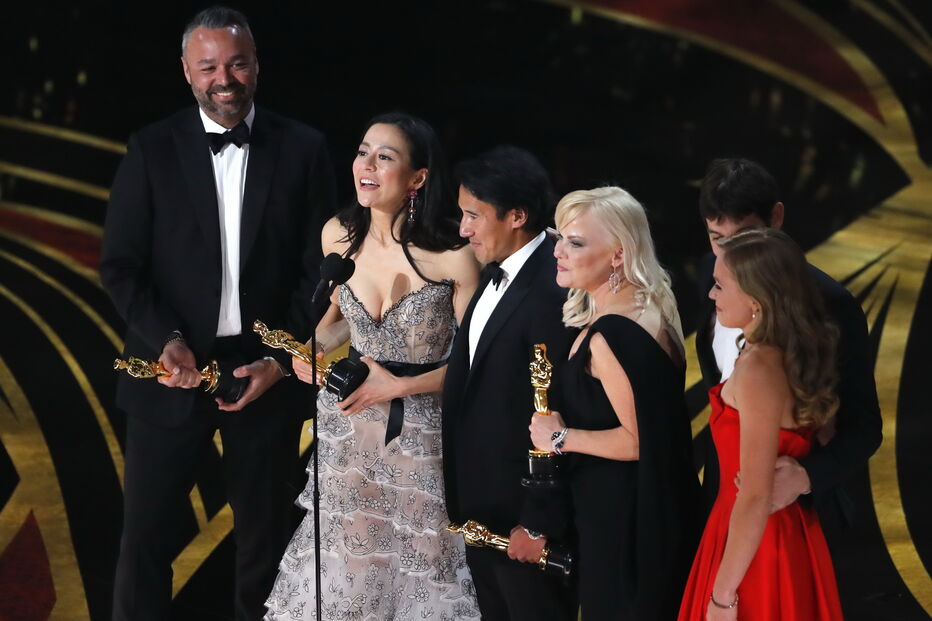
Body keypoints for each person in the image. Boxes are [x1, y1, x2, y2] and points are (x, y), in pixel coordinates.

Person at [100, 7, 335, 620]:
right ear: (186, 70)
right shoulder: (150, 148)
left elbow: (319, 271)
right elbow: (120, 266)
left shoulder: (305, 149)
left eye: (236, 64)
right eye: (208, 67)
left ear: (257, 65)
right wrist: (166, 339)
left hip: (264, 377)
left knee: (265, 547)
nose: (223, 79)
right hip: (169, 373)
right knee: (146, 544)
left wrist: (278, 359)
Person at [265, 112, 481, 620]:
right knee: (349, 568)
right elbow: (339, 321)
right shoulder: (338, 235)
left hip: (422, 441)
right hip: (349, 436)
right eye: (363, 152)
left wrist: (399, 387)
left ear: (417, 178)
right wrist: (311, 349)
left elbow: (478, 361)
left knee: (423, 571)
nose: (367, 165)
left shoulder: (453, 255)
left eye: (385, 157)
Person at [529, 186, 701, 621]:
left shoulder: (612, 336)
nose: (558, 252)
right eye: (560, 238)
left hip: (624, 521)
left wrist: (560, 438)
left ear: (618, 255)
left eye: (576, 243)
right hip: (637, 513)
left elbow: (640, 441)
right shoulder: (648, 306)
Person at [694, 158, 881, 530]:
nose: (730, 257)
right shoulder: (712, 274)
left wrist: (806, 478)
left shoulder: (831, 304)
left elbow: (865, 427)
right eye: (718, 239)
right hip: (723, 502)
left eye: (745, 237)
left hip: (793, 513)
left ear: (776, 218)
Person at [677, 228, 844, 620]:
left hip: (756, 547)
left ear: (755, 299)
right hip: (783, 533)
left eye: (720, 286)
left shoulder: (759, 370)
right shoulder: (787, 355)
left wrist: (722, 598)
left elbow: (753, 496)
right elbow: (821, 433)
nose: (711, 295)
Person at [441, 146, 579, 621]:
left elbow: (553, 409)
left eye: (474, 216)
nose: (463, 229)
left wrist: (538, 522)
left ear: (517, 216)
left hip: (525, 524)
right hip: (484, 514)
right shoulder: (497, 271)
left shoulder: (552, 289)